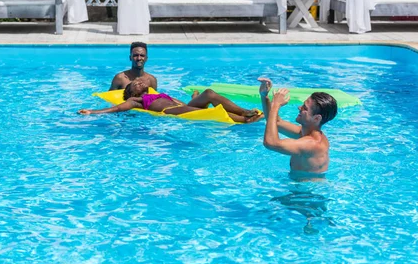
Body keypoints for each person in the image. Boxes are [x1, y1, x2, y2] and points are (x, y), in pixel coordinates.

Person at [80, 78, 263, 123]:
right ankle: (246, 119)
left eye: (140, 81)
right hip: (170, 112)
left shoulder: (159, 94)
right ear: (130, 92)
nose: (140, 81)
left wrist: (194, 97)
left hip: (181, 106)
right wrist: (93, 112)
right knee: (206, 112)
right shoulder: (136, 100)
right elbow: (118, 108)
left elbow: (181, 102)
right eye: (135, 83)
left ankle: (242, 111)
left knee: (209, 93)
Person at [258, 77, 337, 174]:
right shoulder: (307, 133)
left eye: (305, 108)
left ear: (316, 118)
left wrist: (276, 105)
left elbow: (270, 143)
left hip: (305, 188)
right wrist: (264, 96)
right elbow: (276, 122)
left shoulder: (311, 144)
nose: (299, 108)